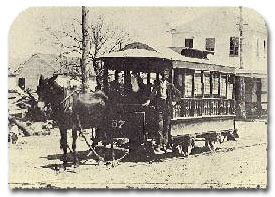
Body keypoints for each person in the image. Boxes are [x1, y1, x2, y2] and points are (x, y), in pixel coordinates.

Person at [143, 69, 181, 154]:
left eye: (165, 76)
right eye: (162, 76)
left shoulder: (170, 85)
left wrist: (174, 101)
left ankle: (165, 145)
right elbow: (153, 94)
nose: (163, 78)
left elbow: (179, 94)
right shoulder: (157, 85)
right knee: (159, 126)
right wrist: (148, 100)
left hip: (167, 108)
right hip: (159, 107)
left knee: (166, 128)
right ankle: (159, 145)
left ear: (167, 77)